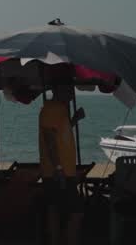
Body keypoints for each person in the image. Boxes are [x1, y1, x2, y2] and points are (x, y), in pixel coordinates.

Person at [39, 83, 85, 245]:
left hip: (63, 170)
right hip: (57, 171)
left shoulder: (60, 110)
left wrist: (74, 120)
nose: (72, 94)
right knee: (72, 211)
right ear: (58, 90)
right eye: (69, 90)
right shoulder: (51, 109)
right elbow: (50, 139)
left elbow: (60, 133)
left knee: (60, 210)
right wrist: (58, 168)